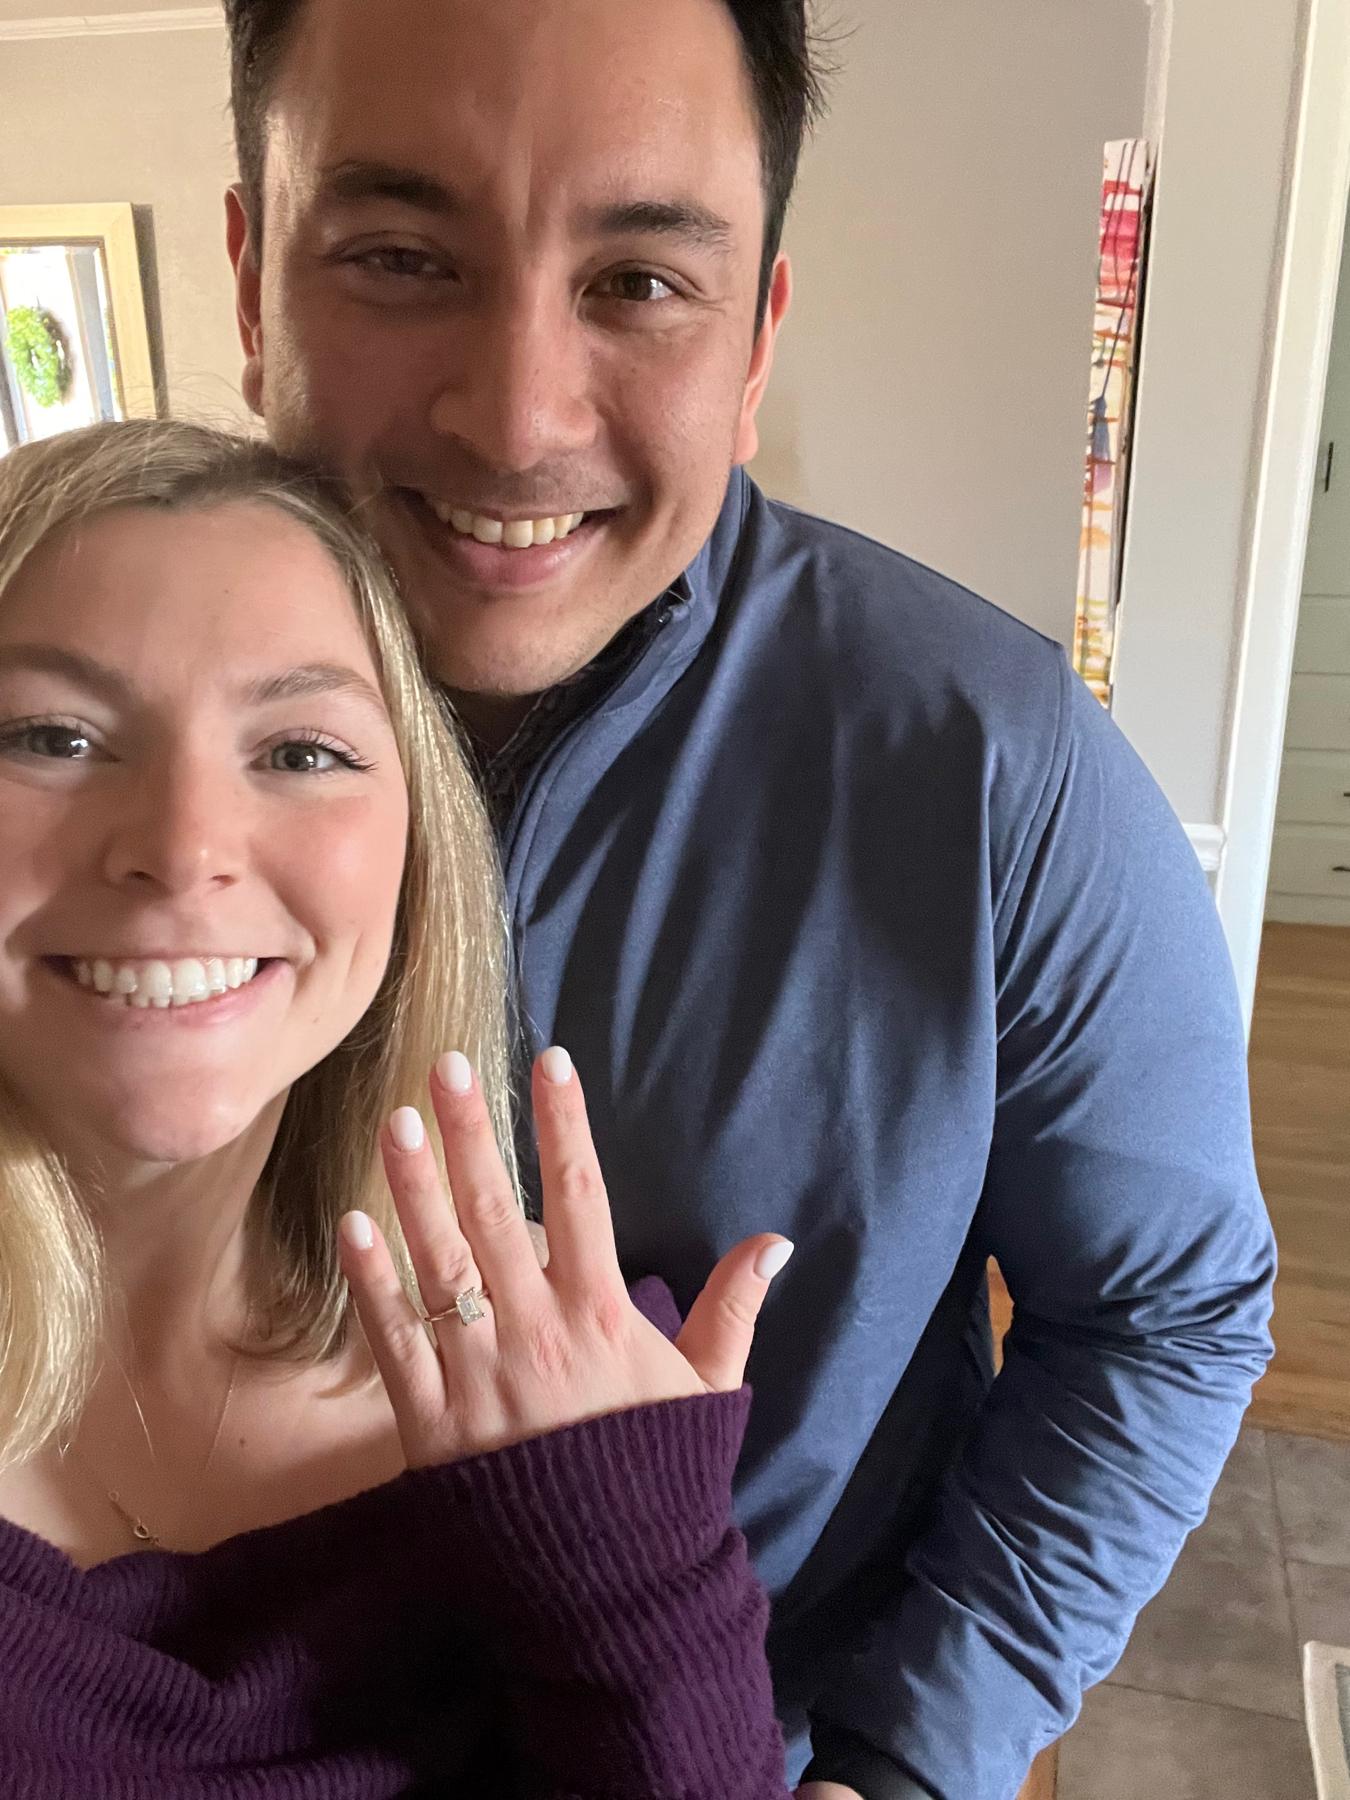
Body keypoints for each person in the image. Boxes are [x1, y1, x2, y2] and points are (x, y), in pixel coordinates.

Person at [219, 2, 1279, 1797]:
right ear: (254, 279)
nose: (515, 417)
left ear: (757, 334)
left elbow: (1160, 1315)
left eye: (638, 283)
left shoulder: (994, 771)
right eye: (400, 258)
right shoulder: (52, 739)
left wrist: (906, 1760)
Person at [0, 417, 799, 1797]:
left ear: (418, 845)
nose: (183, 849)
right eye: (52, 737)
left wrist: (647, 1598)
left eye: (302, 752)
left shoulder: (577, 1398)